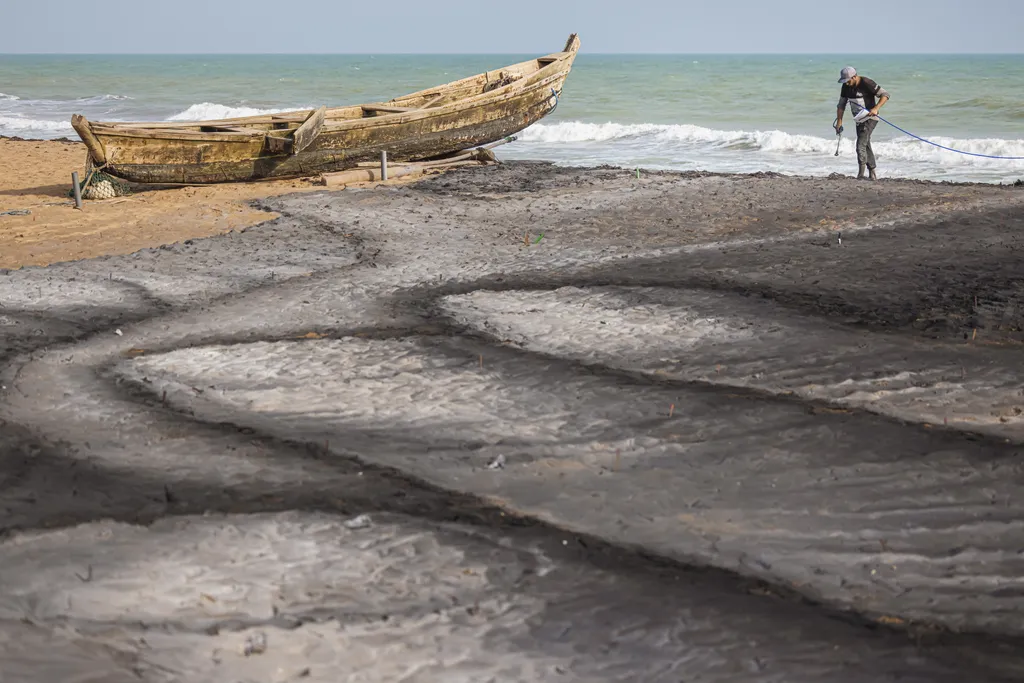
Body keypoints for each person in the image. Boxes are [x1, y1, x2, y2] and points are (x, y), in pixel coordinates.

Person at [834, 66, 890, 180]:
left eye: (848, 80)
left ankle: (861, 174)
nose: (847, 83)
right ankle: (873, 172)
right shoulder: (845, 86)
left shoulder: (866, 83)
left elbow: (885, 94)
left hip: (870, 118)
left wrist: (876, 108)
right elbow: (841, 105)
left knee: (860, 145)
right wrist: (839, 121)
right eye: (844, 81)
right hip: (859, 119)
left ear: (854, 77)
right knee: (865, 143)